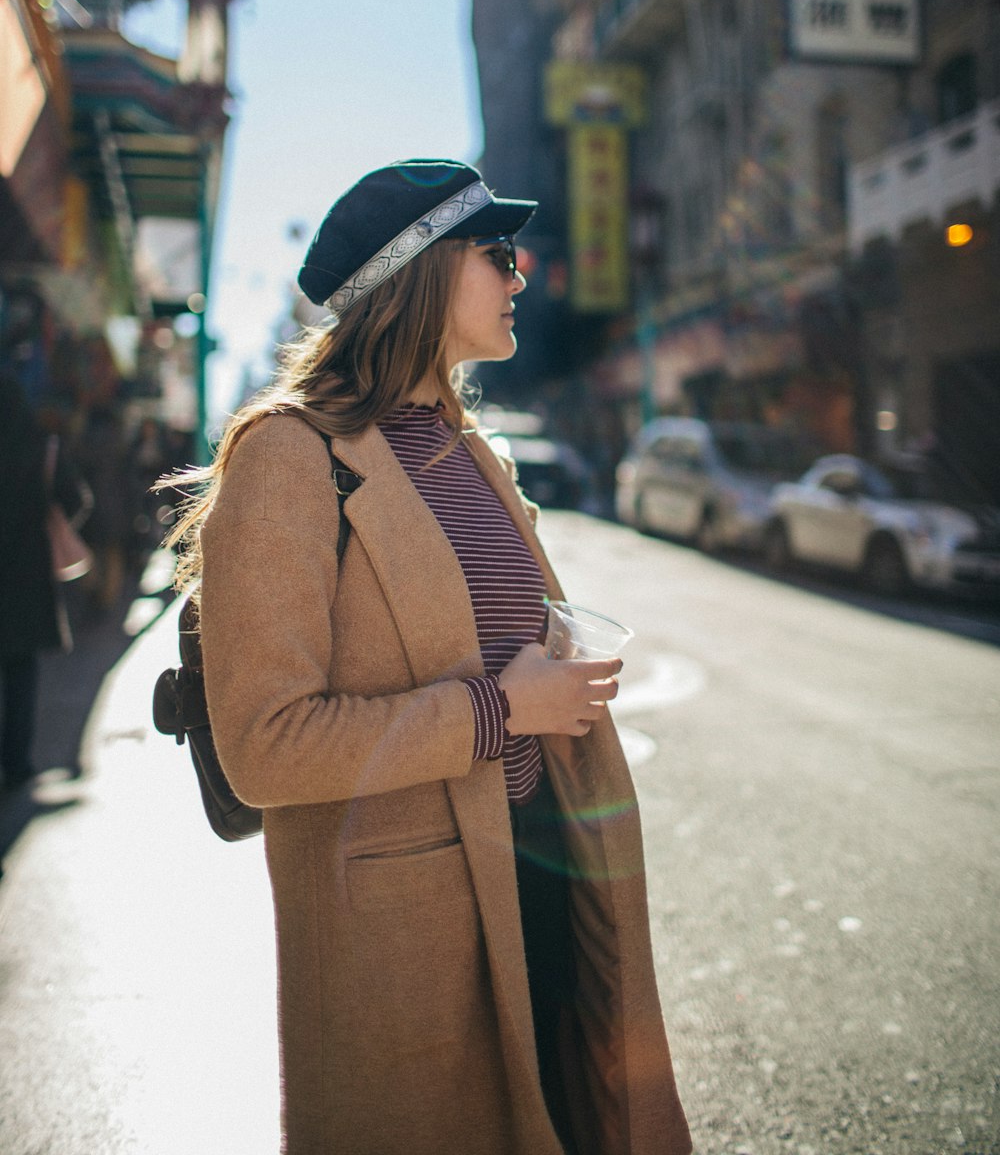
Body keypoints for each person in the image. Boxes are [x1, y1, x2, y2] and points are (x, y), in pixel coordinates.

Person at [163, 160, 691, 1155]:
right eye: (494, 254)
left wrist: (549, 668)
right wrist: (498, 709)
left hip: (545, 868)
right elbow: (265, 747)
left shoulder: (468, 448)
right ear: (419, 273)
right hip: (411, 936)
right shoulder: (288, 456)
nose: (519, 273)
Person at [0, 375, 91, 788]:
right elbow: (77, 500)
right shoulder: (40, 448)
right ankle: (16, 762)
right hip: (26, 575)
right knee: (21, 672)